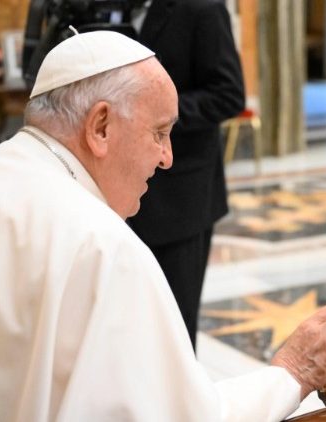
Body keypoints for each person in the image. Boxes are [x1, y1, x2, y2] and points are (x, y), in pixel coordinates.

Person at [0, 30, 326, 421]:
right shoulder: (100, 245)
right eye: (159, 133)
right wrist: (292, 371)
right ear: (100, 126)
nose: (167, 158)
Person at [125, 0, 245, 349]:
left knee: (174, 326)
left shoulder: (202, 7)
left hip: (181, 198)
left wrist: (152, 118)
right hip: (121, 191)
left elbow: (228, 94)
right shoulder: (104, 10)